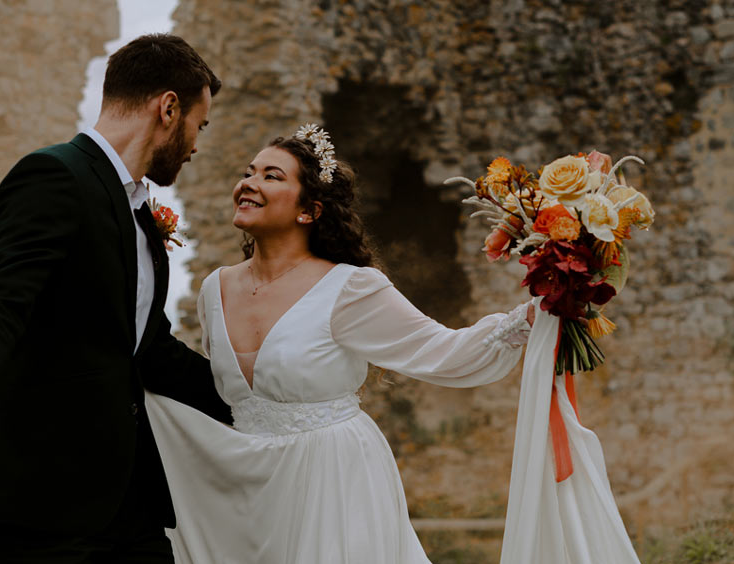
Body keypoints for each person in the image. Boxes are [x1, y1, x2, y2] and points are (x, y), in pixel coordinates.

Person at [0, 34, 230, 563]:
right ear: (168, 108)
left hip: (128, 503)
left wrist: (259, 403)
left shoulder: (138, 212)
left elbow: (147, 348)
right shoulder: (54, 177)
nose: (196, 146)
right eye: (198, 127)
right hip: (42, 506)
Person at [144, 124, 535, 564]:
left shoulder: (350, 288)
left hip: (336, 479)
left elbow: (444, 351)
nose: (249, 184)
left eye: (272, 176)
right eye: (248, 172)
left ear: (309, 211)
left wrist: (530, 319)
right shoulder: (214, 289)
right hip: (249, 489)